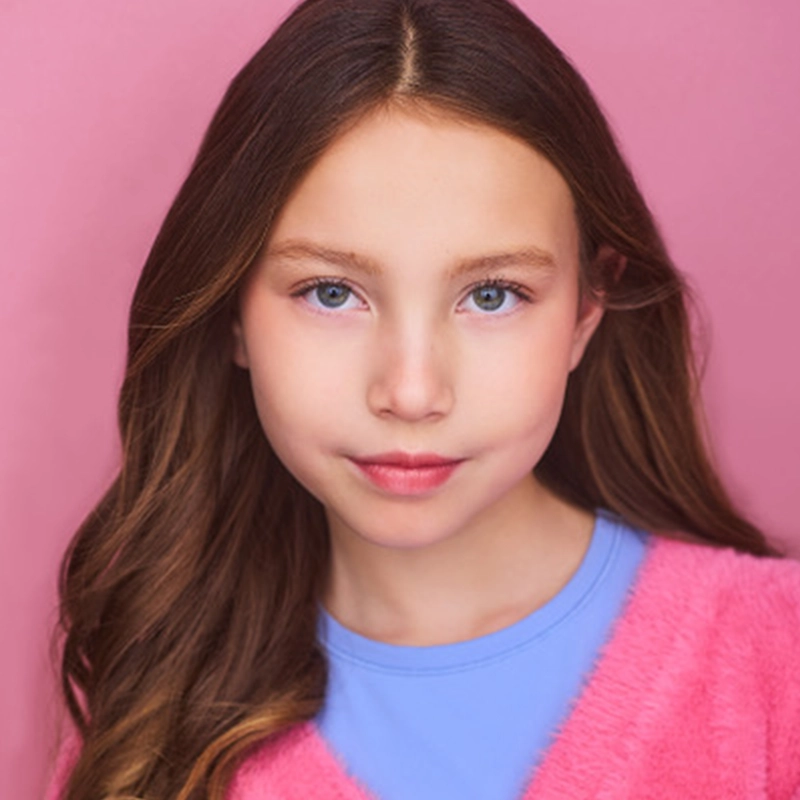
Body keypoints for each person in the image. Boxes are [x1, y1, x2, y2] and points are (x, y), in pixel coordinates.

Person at [45, 0, 800, 798]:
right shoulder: (149, 699)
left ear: (587, 309)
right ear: (233, 311)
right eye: (331, 292)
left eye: (493, 295)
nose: (411, 392)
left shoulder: (777, 659)